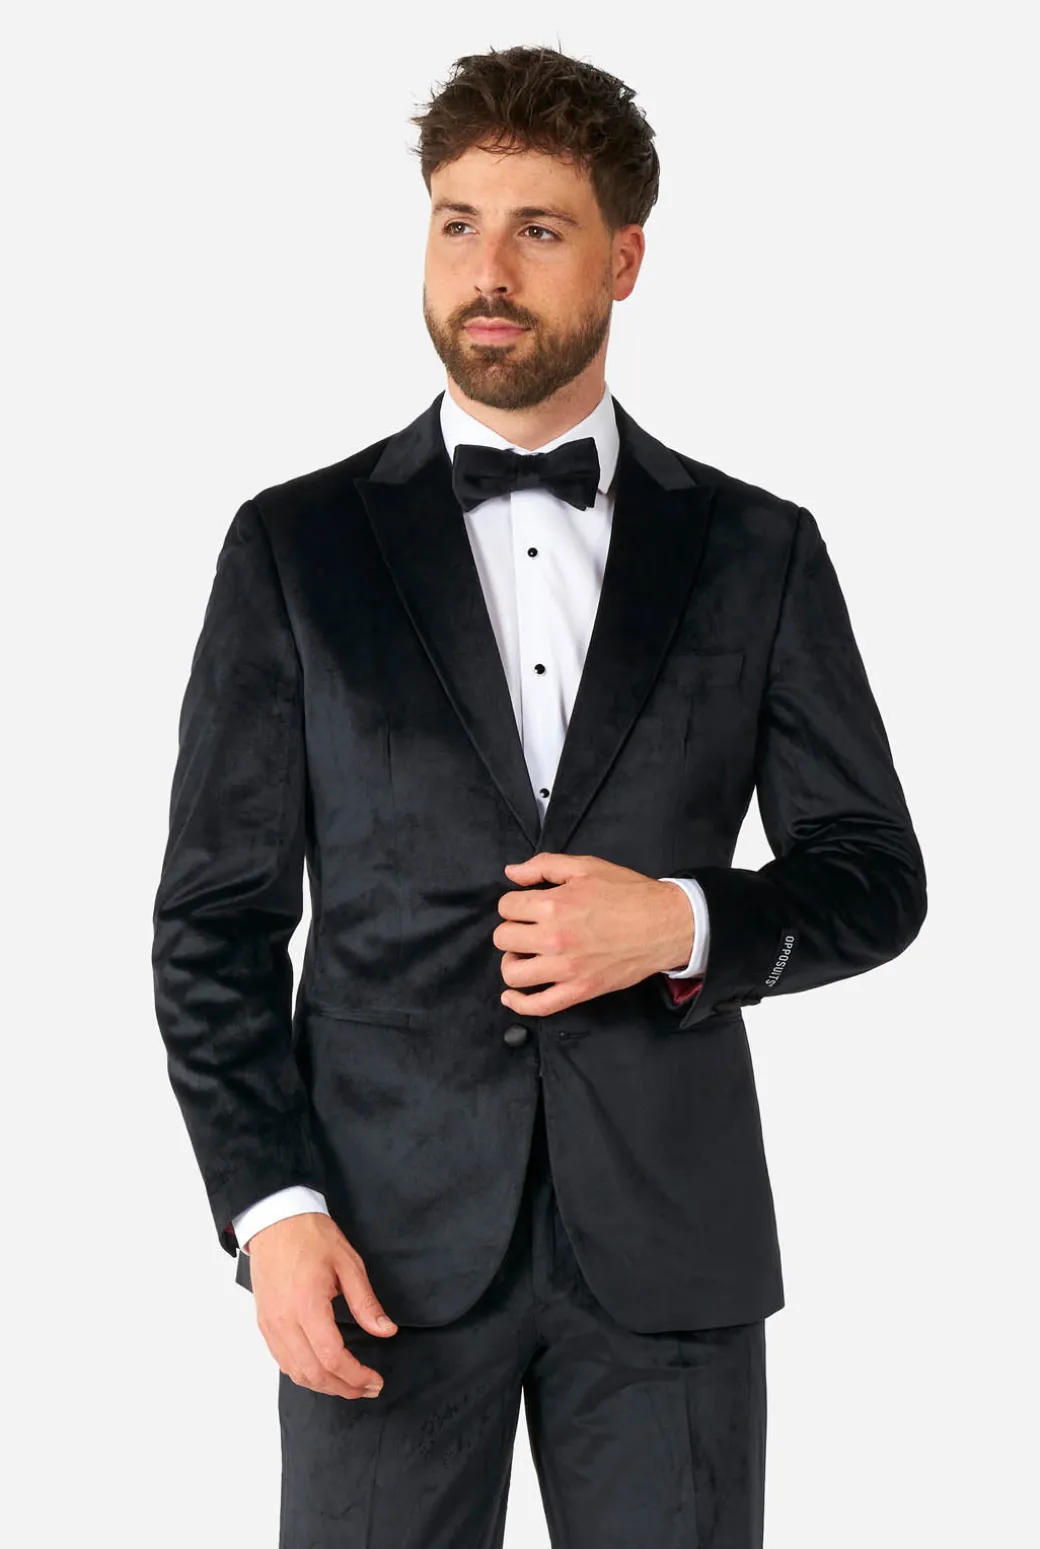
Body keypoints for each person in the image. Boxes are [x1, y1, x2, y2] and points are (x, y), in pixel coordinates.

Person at [152, 43, 927, 1549]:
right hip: (374, 1250)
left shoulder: (757, 549)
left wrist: (683, 923)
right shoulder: (294, 549)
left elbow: (874, 873)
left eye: (539, 229)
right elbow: (213, 926)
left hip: (672, 1257)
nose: (487, 272)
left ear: (624, 259)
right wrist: (271, 1210)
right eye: (457, 223)